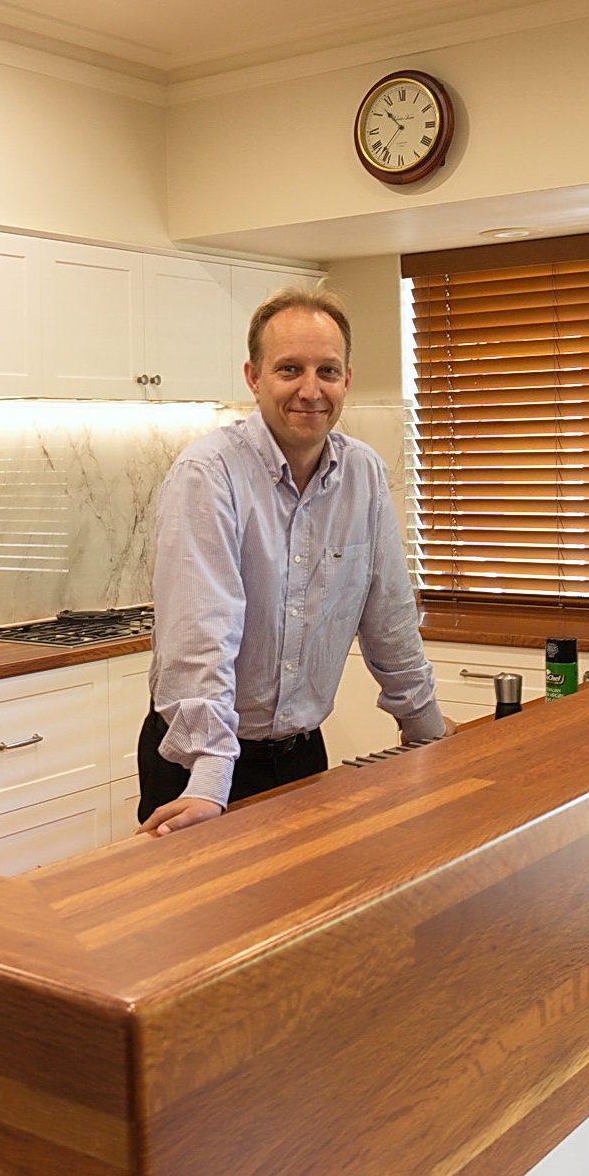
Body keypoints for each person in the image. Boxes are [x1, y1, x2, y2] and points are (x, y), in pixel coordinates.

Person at [137, 289, 444, 836]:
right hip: (198, 760)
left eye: (327, 370)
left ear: (347, 379)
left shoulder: (364, 475)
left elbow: (389, 617)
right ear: (254, 378)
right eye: (289, 369)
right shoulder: (208, 475)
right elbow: (203, 634)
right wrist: (210, 782)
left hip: (302, 756)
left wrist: (427, 732)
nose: (310, 389)